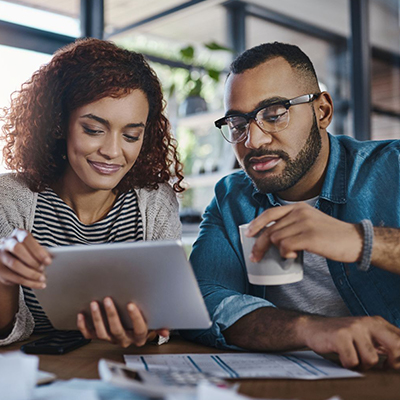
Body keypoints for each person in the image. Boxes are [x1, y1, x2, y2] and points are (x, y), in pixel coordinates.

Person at [181, 42, 400, 370]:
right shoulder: (231, 198)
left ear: (322, 111)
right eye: (239, 124)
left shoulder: (392, 168)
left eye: (274, 115)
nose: (254, 141)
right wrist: (311, 330)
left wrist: (360, 240)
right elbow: (203, 300)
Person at [0, 38, 184, 348]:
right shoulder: (9, 200)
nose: (113, 151)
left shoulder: (155, 202)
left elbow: (166, 317)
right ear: (59, 123)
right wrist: (4, 280)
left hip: (122, 369)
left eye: (131, 135)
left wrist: (150, 329)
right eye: (94, 130)